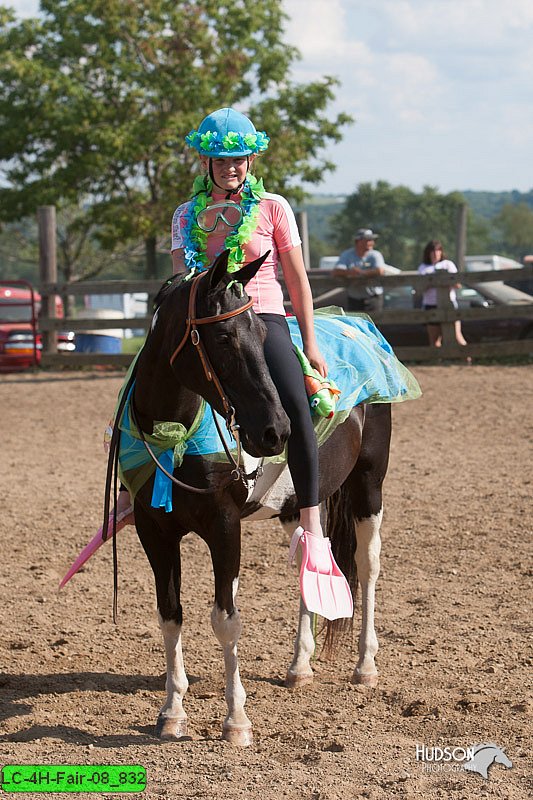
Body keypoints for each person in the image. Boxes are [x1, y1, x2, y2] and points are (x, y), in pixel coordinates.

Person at [109, 107, 352, 620]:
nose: (230, 167)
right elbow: (179, 287)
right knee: (135, 394)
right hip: (206, 324)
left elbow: (298, 280)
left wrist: (311, 344)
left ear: (251, 159)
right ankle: (134, 493)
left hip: (262, 317)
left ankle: (313, 530)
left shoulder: (273, 207)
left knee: (297, 408)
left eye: (239, 159)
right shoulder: (183, 215)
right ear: (207, 161)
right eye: (221, 159)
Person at [417, 240, 467, 347]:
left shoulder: (448, 264)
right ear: (428, 253)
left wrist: (444, 281)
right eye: (433, 251)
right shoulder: (423, 268)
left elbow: (457, 285)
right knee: (434, 339)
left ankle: (467, 359)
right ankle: (438, 360)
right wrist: (432, 282)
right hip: (430, 305)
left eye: (438, 251)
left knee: (457, 336)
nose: (435, 254)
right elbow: (420, 288)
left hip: (448, 304)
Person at [333, 228, 386, 312]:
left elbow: (380, 270)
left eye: (372, 240)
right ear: (358, 241)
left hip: (373, 297)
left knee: (375, 323)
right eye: (368, 240)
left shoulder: (375, 255)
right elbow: (336, 271)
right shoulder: (347, 254)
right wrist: (350, 272)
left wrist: (361, 273)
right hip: (354, 298)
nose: (371, 243)